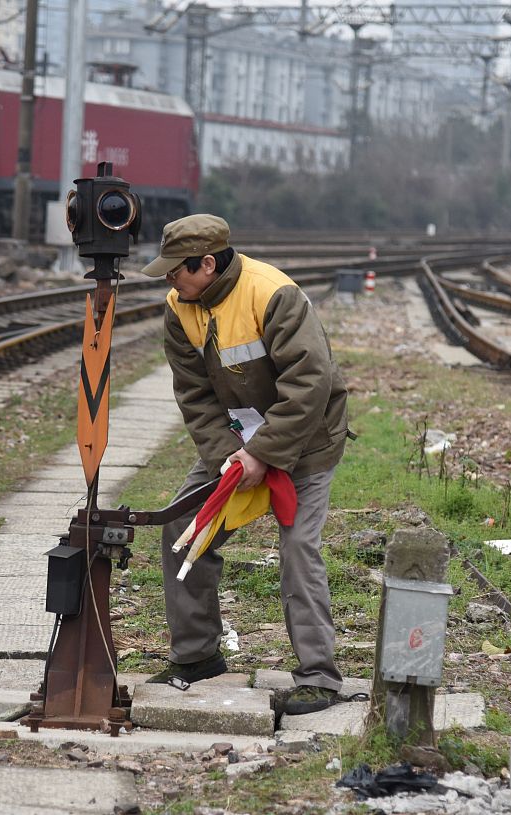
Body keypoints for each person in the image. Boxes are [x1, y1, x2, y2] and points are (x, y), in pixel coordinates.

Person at [140, 213, 352, 715]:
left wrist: (263, 453)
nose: (170, 281)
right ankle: (196, 658)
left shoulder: (273, 294)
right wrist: (230, 456)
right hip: (239, 443)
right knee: (182, 529)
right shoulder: (179, 309)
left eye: (176, 271)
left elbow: (310, 382)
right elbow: (194, 396)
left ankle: (319, 678)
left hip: (308, 442)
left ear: (207, 263)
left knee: (299, 549)